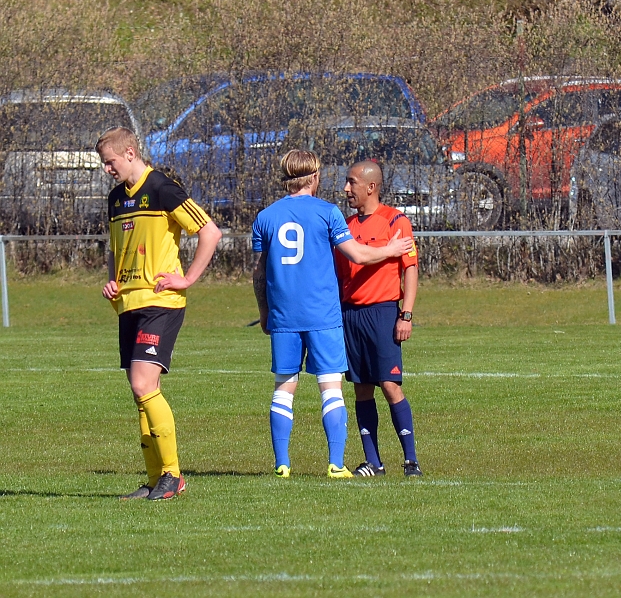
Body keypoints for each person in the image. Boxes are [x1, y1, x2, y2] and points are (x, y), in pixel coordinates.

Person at [252, 150, 413, 479]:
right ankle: (336, 464)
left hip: (284, 316)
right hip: (324, 314)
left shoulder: (265, 216)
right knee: (331, 388)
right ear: (313, 177)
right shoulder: (328, 213)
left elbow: (258, 273)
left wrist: (264, 311)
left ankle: (282, 464)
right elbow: (357, 255)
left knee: (283, 387)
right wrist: (390, 250)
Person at [97, 126, 223, 500]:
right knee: (142, 393)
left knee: (143, 385)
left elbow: (210, 232)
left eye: (110, 162)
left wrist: (188, 279)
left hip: (160, 303)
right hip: (129, 304)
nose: (107, 169)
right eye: (104, 163)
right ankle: (154, 479)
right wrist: (113, 280)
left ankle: (172, 475)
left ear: (130, 153)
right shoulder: (115, 199)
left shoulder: (162, 188)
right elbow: (114, 249)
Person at [334, 160, 422, 477]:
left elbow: (410, 269)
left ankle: (411, 460)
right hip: (351, 315)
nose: (346, 189)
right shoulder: (344, 226)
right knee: (361, 387)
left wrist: (406, 314)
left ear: (371, 187)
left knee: (390, 384)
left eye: (352, 182)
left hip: (383, 313)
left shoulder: (395, 221)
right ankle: (374, 462)